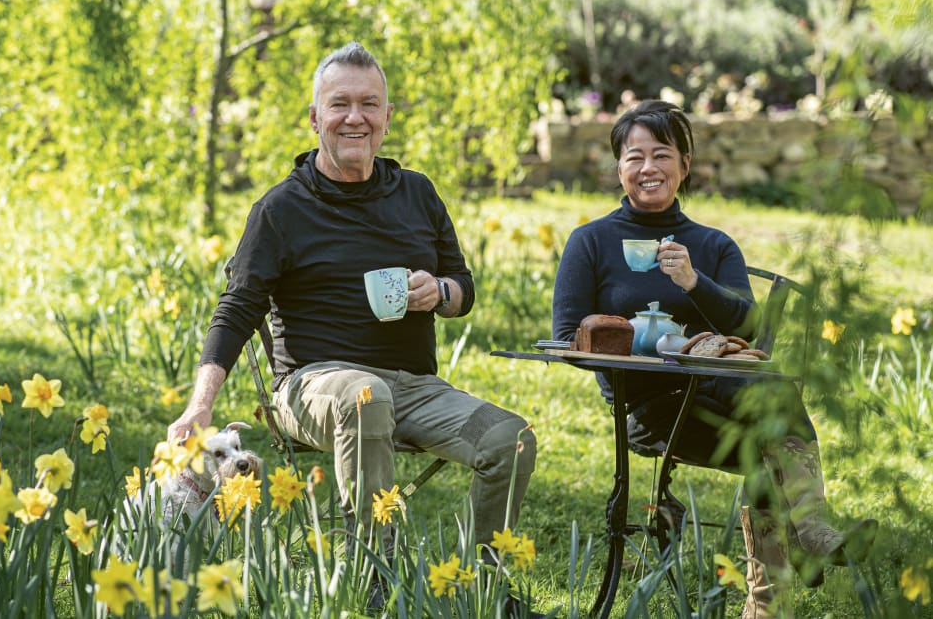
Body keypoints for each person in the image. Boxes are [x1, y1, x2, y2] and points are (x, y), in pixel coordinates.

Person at [168, 41, 536, 569]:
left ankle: (486, 583)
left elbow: (463, 287)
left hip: (414, 388)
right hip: (314, 386)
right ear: (315, 118)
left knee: (510, 438)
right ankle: (374, 576)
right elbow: (236, 310)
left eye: (369, 104)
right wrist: (201, 404)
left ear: (387, 117)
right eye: (340, 104)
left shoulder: (417, 194)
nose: (354, 117)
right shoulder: (279, 209)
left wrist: (441, 292)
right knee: (367, 395)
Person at [551, 100, 875, 618]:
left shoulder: (710, 244)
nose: (648, 168)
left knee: (767, 433)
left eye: (662, 155)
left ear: (685, 163)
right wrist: (648, 344)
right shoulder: (591, 242)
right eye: (635, 157)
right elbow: (568, 336)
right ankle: (806, 539)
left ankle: (774, 595)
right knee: (772, 422)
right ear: (619, 167)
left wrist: (693, 283)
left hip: (723, 392)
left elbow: (748, 332)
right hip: (646, 404)